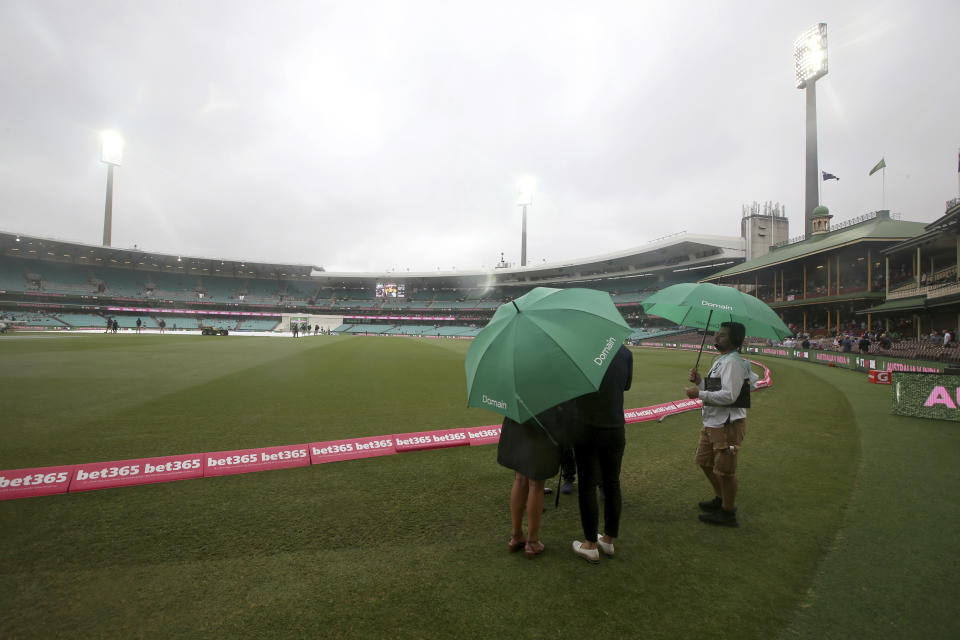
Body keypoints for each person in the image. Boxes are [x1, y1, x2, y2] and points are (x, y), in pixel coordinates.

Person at [571, 343, 633, 563]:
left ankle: (590, 544)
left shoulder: (579, 351)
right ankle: (607, 540)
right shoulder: (625, 352)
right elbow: (626, 385)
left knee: (587, 485)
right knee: (612, 483)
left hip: (586, 427)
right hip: (615, 427)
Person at [685, 322, 750, 528]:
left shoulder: (734, 363)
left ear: (734, 340)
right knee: (704, 462)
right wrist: (700, 383)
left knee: (725, 471)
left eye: (722, 335)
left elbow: (730, 396)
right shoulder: (723, 360)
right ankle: (720, 498)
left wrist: (699, 394)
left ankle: (728, 512)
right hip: (713, 421)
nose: (716, 338)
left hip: (727, 424)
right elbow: (716, 389)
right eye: (717, 334)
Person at [498, 401, 578, 558]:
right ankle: (532, 542)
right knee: (535, 484)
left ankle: (516, 536)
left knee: (520, 479)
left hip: (517, 421)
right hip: (542, 425)